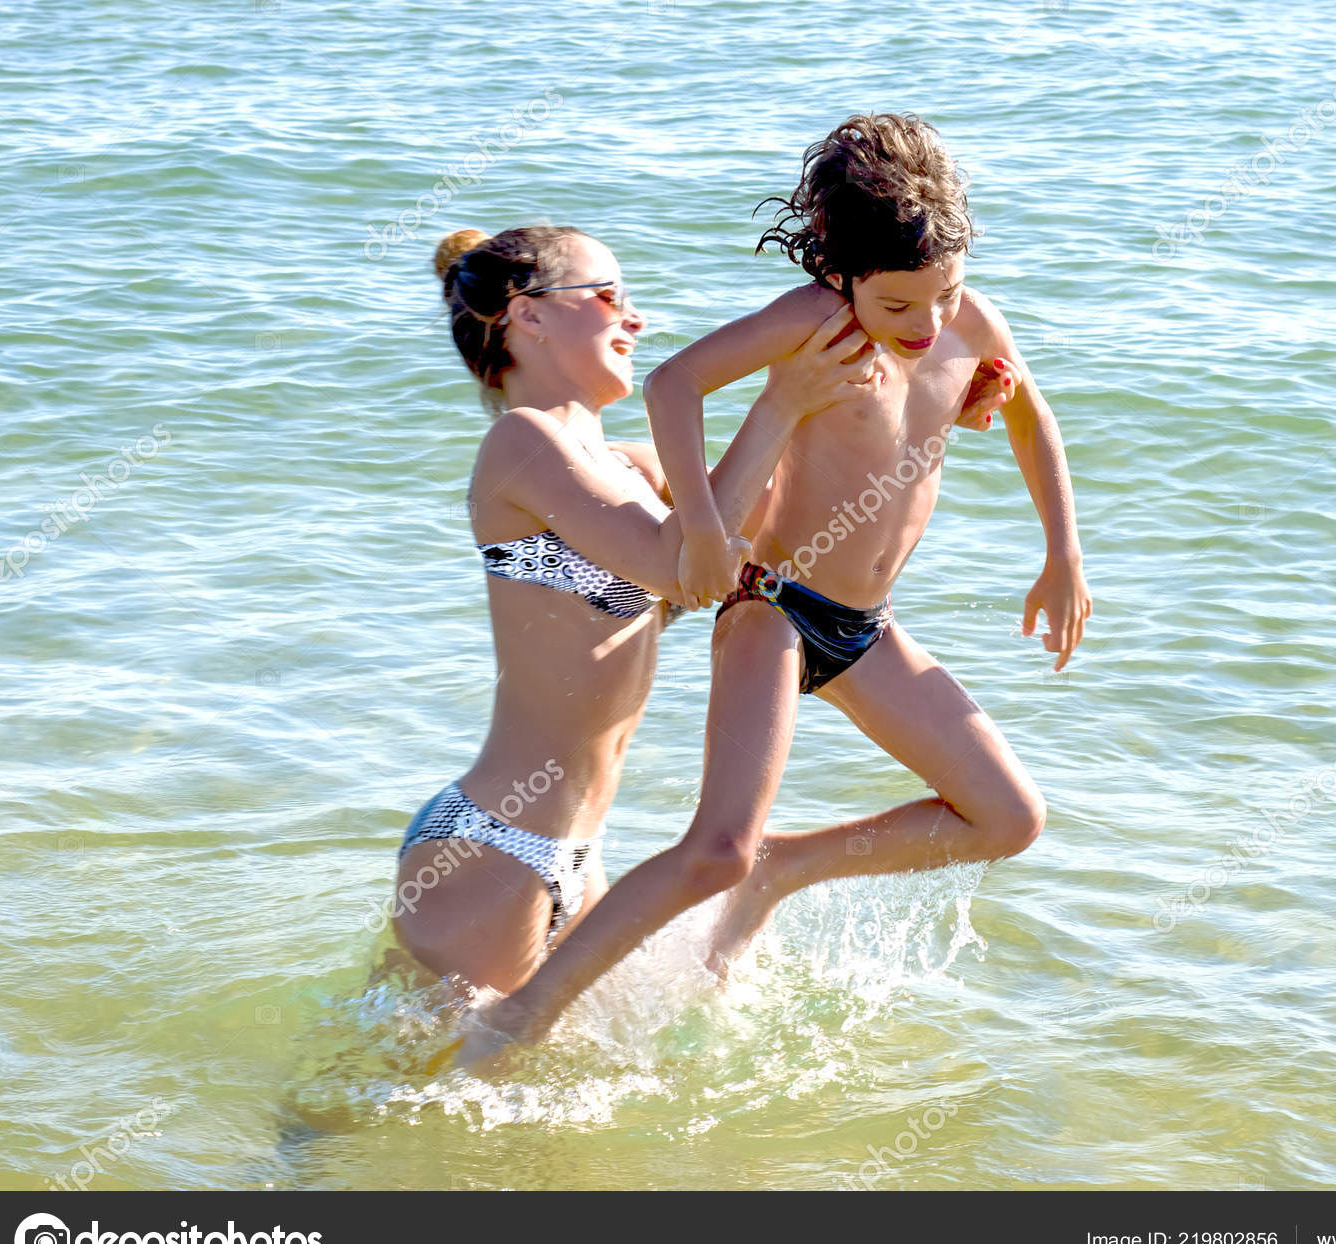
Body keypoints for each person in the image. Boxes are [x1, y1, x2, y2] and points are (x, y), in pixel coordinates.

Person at [458, 113, 1088, 1065]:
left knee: (1008, 817)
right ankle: (519, 1016)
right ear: (842, 277)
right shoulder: (810, 323)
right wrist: (706, 528)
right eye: (898, 307)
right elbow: (673, 384)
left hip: (865, 627)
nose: (925, 325)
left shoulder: (966, 321)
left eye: (944, 295)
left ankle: (785, 869)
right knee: (717, 846)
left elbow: (1031, 420)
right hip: (775, 604)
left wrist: (1063, 555)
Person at [397, 221, 1014, 999]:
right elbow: (677, 567)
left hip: (577, 853)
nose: (635, 318)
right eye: (608, 296)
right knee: (375, 1103)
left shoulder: (626, 466)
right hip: (494, 847)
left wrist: (922, 411)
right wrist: (780, 401)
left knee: (504, 1102)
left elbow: (748, 538)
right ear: (530, 314)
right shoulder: (523, 444)